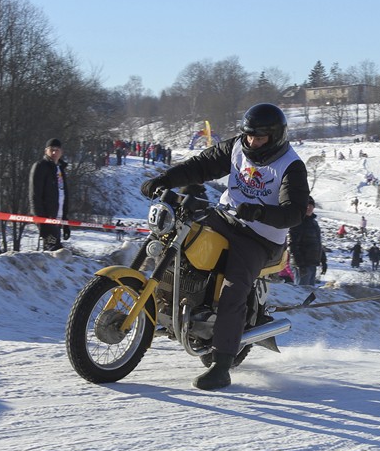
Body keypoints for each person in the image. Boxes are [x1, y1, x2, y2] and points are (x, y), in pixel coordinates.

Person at [140, 103, 309, 390]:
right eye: (249, 136)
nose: (253, 142)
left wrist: (259, 212)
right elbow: (202, 165)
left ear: (276, 136)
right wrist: (164, 179)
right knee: (178, 236)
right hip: (225, 217)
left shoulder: (291, 166)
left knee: (234, 289)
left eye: (260, 138)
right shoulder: (237, 148)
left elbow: (294, 212)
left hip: (261, 236)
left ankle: (221, 366)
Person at [29, 138, 70, 251]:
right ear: (45, 151)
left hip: (59, 218)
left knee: (56, 253)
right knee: (53, 250)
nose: (54, 153)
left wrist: (66, 222)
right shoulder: (40, 167)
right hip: (47, 218)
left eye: (57, 150)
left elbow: (63, 195)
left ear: (61, 152)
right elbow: (34, 195)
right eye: (51, 150)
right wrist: (41, 221)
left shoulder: (60, 169)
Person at [289, 196, 326, 286]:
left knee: (309, 293)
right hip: (302, 265)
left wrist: (323, 261)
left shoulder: (314, 223)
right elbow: (293, 246)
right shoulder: (297, 222)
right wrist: (300, 265)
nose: (309, 208)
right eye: (306, 205)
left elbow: (318, 243)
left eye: (311, 205)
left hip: (312, 263)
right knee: (301, 292)